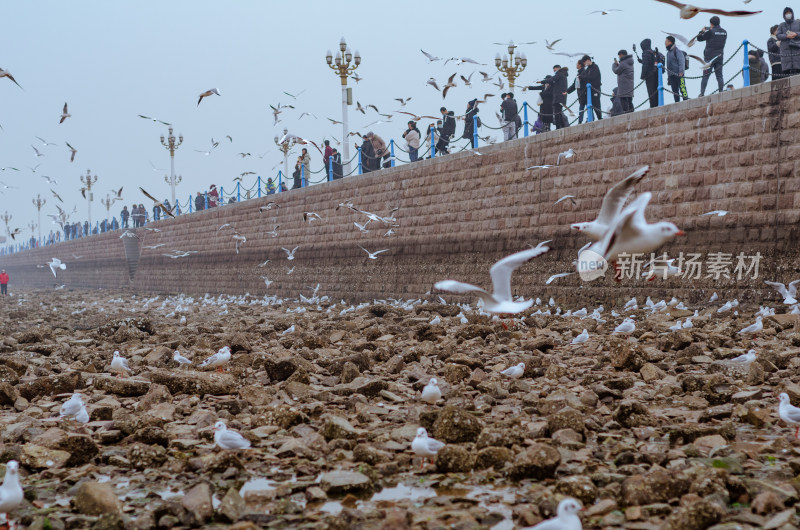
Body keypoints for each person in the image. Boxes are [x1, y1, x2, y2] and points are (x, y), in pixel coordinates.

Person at [697, 16, 727, 96]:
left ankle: (702, 93)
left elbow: (699, 39)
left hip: (709, 57)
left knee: (705, 76)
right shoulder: (724, 32)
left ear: (711, 23)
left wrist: (702, 31)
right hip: (720, 56)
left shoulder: (710, 32)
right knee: (719, 76)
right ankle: (721, 91)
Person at [665, 36, 688, 102]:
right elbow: (668, 65)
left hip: (679, 74)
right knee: (675, 91)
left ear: (670, 42)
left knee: (682, 89)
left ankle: (686, 101)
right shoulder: (668, 53)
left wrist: (681, 72)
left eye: (666, 41)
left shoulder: (677, 51)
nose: (665, 43)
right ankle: (677, 103)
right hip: (671, 75)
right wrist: (668, 76)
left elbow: (681, 62)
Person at [778, 8, 800, 77]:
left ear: (792, 13)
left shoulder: (798, 23)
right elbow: (778, 35)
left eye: (789, 13)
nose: (788, 14)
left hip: (796, 50)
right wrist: (786, 36)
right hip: (785, 52)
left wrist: (796, 34)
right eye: (786, 13)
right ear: (784, 15)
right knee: (786, 74)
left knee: (797, 72)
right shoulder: (781, 25)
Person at [580, 55, 602, 120]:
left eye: (584, 62)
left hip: (595, 89)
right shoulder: (588, 69)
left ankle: (599, 118)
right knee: (590, 104)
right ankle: (591, 119)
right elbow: (585, 76)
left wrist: (583, 77)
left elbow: (593, 77)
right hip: (590, 90)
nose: (585, 64)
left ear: (587, 60)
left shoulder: (595, 67)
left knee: (596, 104)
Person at [638, 39, 659, 108]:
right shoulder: (652, 52)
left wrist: (642, 76)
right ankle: (657, 104)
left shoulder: (645, 53)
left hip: (649, 75)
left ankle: (652, 106)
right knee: (656, 90)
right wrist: (642, 61)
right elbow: (650, 62)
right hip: (656, 73)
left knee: (651, 91)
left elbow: (645, 65)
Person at [567, 59, 588, 123]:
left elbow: (585, 80)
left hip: (584, 92)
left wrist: (580, 77)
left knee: (587, 107)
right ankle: (580, 120)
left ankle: (587, 119)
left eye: (577, 64)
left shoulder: (584, 72)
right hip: (581, 93)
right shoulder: (578, 73)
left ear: (580, 65)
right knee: (582, 107)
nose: (576, 65)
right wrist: (567, 91)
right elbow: (575, 85)